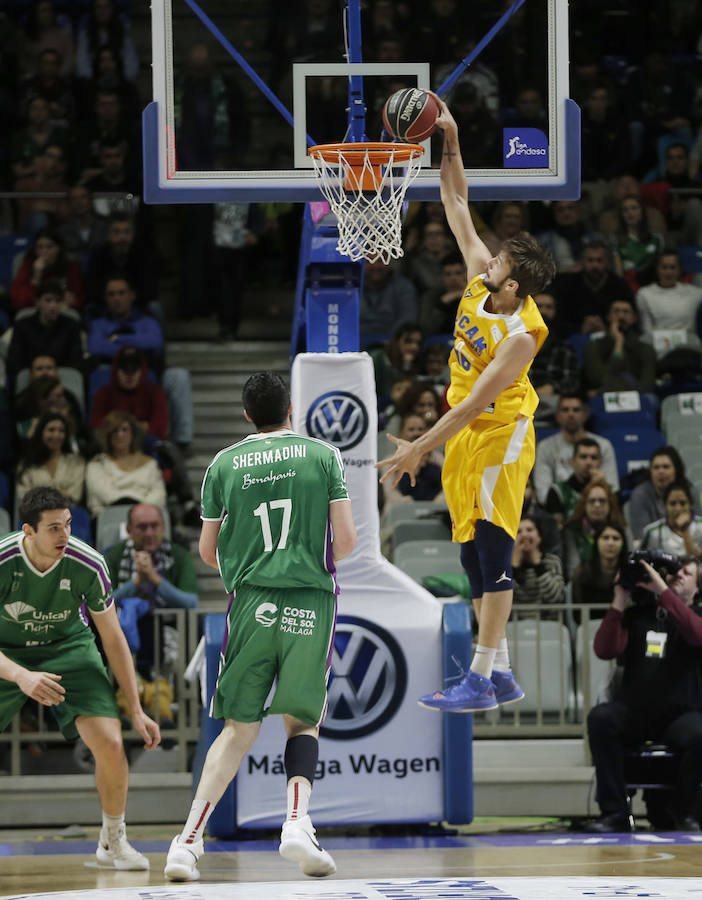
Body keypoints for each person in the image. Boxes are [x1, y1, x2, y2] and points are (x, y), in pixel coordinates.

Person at [377, 94, 556, 713]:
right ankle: (501, 671)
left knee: (492, 546)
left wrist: (419, 448)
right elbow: (456, 203)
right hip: (464, 430)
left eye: (498, 260)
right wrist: (448, 139)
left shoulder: (521, 337)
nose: (485, 257)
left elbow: (478, 402)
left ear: (513, 286)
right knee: (466, 548)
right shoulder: (485, 280)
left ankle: (481, 677)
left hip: (500, 430)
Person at [164, 372, 356, 882]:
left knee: (237, 729)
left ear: (247, 414)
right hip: (310, 602)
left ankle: (186, 844)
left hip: (251, 603)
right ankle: (296, 822)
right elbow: (348, 541)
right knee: (302, 720)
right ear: (291, 407)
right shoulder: (323, 456)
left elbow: (206, 552)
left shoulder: (223, 465)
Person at [0, 486, 160, 866]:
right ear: (28, 531)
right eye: (53, 528)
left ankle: (113, 842)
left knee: (111, 742)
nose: (64, 536)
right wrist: (21, 676)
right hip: (6, 652)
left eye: (68, 525)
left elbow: (113, 636)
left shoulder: (87, 563)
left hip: (68, 647)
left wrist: (135, 708)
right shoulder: (3, 561)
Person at [585, 555, 702, 832]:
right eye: (673, 572)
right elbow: (604, 649)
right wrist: (621, 596)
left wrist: (663, 591)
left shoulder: (696, 616)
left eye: (686, 573)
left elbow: (697, 635)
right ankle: (614, 812)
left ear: (697, 588)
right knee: (602, 718)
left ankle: (684, 810)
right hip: (636, 712)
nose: (677, 576)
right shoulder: (638, 615)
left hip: (681, 715)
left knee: (700, 734)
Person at [104, 503, 198, 682]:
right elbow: (103, 602)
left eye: (154, 526)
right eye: (142, 527)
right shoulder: (113, 555)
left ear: (163, 527)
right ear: (129, 530)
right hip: (122, 628)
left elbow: (190, 602)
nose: (149, 533)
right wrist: (136, 581)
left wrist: (154, 578)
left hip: (167, 630)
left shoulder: (178, 555)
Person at [533, 394, 620, 504]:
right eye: (565, 410)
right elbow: (543, 495)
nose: (571, 414)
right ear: (557, 416)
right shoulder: (545, 447)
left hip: (596, 507)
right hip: (558, 508)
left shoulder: (603, 445)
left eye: (576, 410)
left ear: (585, 415)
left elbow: (613, 490)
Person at [85, 410, 167, 518]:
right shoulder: (97, 464)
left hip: (147, 518)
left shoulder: (150, 463)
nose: (120, 434)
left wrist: (140, 511)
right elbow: (108, 496)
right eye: (115, 431)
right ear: (108, 435)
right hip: (109, 517)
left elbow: (159, 496)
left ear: (133, 433)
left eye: (125, 430)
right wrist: (138, 503)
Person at [550, 241, 633, 337]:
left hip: (612, 337)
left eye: (599, 260)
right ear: (582, 262)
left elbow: (630, 318)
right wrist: (580, 328)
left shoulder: (620, 285)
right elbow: (559, 320)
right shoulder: (566, 284)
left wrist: (606, 328)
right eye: (590, 260)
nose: (595, 265)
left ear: (607, 262)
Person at [6, 280, 84, 377]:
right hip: (30, 379)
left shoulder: (71, 325)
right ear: (38, 302)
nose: (53, 305)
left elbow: (76, 361)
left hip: (61, 379)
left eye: (57, 301)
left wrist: (52, 372)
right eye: (48, 300)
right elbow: (15, 361)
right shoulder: (23, 325)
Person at [582, 297, 657, 396]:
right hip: (605, 398)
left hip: (637, 398)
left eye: (626, 312)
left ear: (634, 318)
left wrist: (601, 391)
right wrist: (618, 344)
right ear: (608, 317)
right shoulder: (593, 347)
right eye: (616, 311)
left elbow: (648, 386)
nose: (621, 316)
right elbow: (599, 380)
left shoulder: (646, 349)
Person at [16, 411, 86, 506]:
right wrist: (61, 495)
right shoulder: (27, 464)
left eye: (61, 431)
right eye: (51, 430)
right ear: (41, 433)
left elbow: (75, 495)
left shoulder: (76, 462)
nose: (56, 435)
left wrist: (41, 497)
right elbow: (25, 496)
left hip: (68, 515)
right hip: (35, 517)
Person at [563, 477, 627, 579]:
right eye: (592, 501)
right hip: (583, 585)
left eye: (602, 501)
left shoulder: (623, 530)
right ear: (584, 505)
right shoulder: (572, 531)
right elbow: (573, 571)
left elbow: (628, 564)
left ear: (610, 504)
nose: (597, 505)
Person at [628, 446, 697, 542]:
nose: (661, 471)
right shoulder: (640, 494)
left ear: (676, 470)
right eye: (656, 467)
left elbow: (698, 529)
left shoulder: (690, 491)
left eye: (666, 467)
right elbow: (641, 535)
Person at [636, 249, 702, 345]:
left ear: (679, 270)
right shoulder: (644, 294)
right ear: (657, 269)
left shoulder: (696, 293)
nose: (669, 272)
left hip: (689, 346)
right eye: (664, 267)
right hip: (658, 346)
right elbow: (646, 330)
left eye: (673, 267)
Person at [10, 228, 85, 313]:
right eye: (40, 247)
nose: (44, 251)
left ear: (59, 248)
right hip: (34, 313)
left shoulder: (71, 266)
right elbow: (19, 303)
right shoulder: (27, 264)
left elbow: (80, 300)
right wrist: (36, 277)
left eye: (49, 247)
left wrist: (73, 301)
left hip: (62, 312)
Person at [545, 437, 605, 528]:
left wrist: (601, 486)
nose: (589, 462)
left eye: (594, 458)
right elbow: (558, 528)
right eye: (583, 457)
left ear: (600, 462)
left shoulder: (608, 491)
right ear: (573, 461)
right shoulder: (557, 491)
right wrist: (591, 487)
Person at [608, 195, 664, 292]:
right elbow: (619, 273)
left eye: (634, 208)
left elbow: (662, 268)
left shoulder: (657, 239)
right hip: (628, 287)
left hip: (653, 288)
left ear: (642, 211)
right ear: (621, 215)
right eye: (625, 210)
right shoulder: (615, 239)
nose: (629, 212)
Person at [511, 516, 565, 610]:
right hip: (514, 622)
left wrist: (538, 565)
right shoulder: (504, 564)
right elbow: (502, 600)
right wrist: (514, 567)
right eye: (518, 532)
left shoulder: (552, 561)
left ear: (539, 537)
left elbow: (557, 598)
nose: (524, 535)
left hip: (548, 622)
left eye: (529, 530)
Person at [571, 520, 628, 607]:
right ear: (596, 542)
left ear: (623, 543)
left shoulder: (630, 572)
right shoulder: (583, 572)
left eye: (616, 538)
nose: (610, 543)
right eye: (605, 538)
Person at [640, 482, 702, 558]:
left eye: (683, 503)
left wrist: (685, 530)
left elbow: (697, 561)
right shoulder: (652, 532)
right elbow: (643, 562)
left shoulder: (700, 525)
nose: (678, 508)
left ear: (690, 504)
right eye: (673, 503)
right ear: (665, 505)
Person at [359, 259, 418, 337]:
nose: (375, 266)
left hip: (392, 343)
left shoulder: (403, 286)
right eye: (369, 261)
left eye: (380, 260)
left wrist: (391, 340)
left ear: (389, 262)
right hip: (355, 341)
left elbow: (408, 317)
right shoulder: (350, 287)